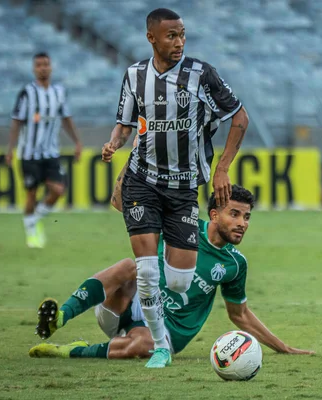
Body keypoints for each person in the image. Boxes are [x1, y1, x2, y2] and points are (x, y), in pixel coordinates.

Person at [101, 8, 249, 368]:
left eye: (182, 34)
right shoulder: (135, 76)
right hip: (143, 181)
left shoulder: (201, 74)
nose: (179, 42)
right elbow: (124, 125)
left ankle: (131, 307)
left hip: (183, 188)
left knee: (180, 281)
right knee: (149, 269)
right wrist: (113, 144)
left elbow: (240, 117)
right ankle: (159, 344)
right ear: (152, 37)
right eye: (171, 36)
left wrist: (222, 168)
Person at [29, 186, 313, 361]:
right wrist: (130, 161)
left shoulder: (235, 264)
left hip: (164, 333)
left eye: (247, 217)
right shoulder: (182, 226)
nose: (242, 223)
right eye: (235, 214)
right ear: (214, 215)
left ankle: (70, 351)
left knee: (141, 346)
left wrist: (283, 347)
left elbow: (240, 315)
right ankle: (60, 317)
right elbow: (119, 202)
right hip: (130, 305)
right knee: (129, 265)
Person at [6, 52, 83, 248]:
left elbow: (66, 118)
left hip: (50, 152)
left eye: (45, 64)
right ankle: (31, 232)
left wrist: (77, 142)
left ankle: (34, 219)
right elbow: (16, 122)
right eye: (38, 65)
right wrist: (10, 149)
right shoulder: (27, 93)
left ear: (51, 67)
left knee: (58, 190)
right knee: (31, 193)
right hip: (29, 153)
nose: (42, 68)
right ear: (34, 69)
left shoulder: (59, 92)